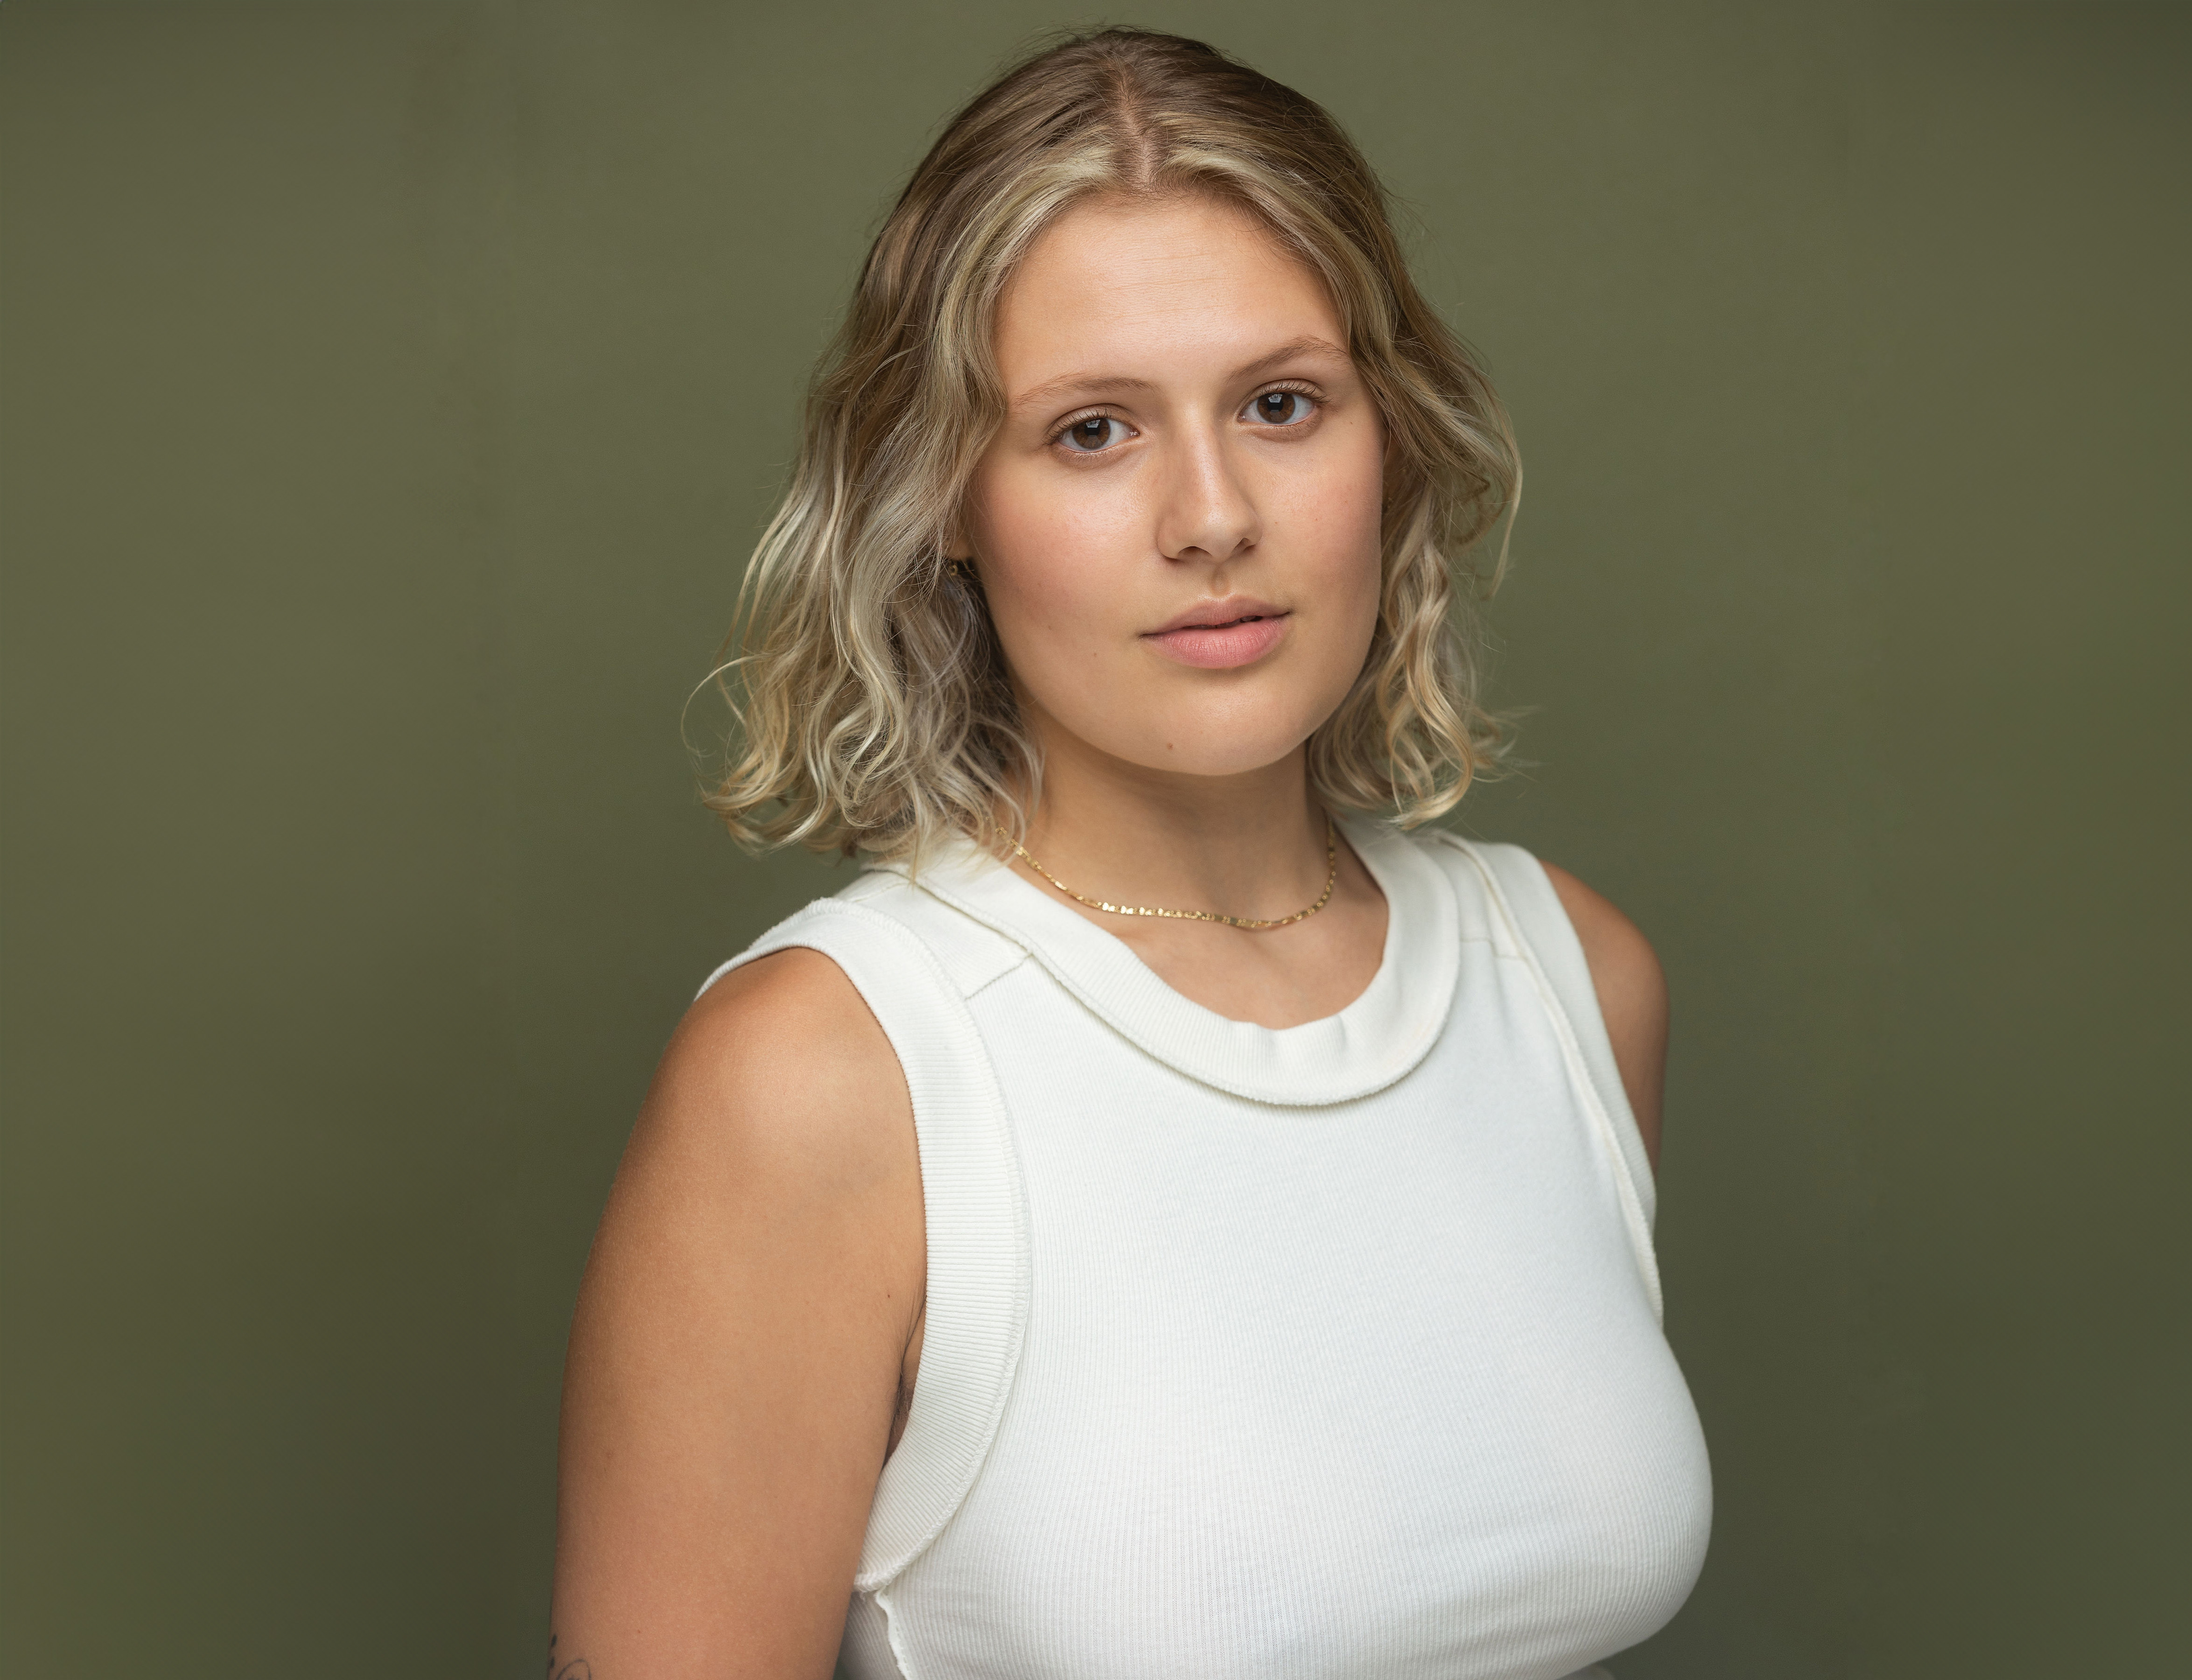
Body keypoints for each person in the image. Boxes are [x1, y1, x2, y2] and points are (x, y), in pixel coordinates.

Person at [552, 28, 1710, 1680]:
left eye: (1281, 404)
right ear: (947, 500)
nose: (1212, 516)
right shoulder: (829, 1074)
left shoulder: (1570, 976)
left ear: (1389, 440)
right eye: (1093, 431)